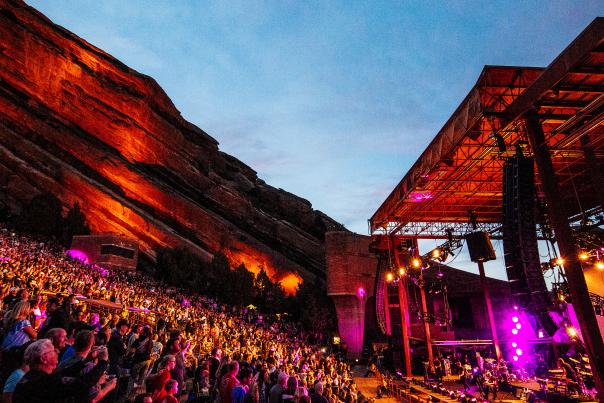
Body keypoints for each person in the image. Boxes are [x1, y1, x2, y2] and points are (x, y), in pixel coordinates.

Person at [13, 339, 117, 403]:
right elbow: (82, 384)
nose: (57, 351)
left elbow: (64, 373)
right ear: (43, 358)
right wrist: (103, 362)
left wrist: (85, 361)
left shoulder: (33, 377)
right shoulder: (45, 382)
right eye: (53, 350)